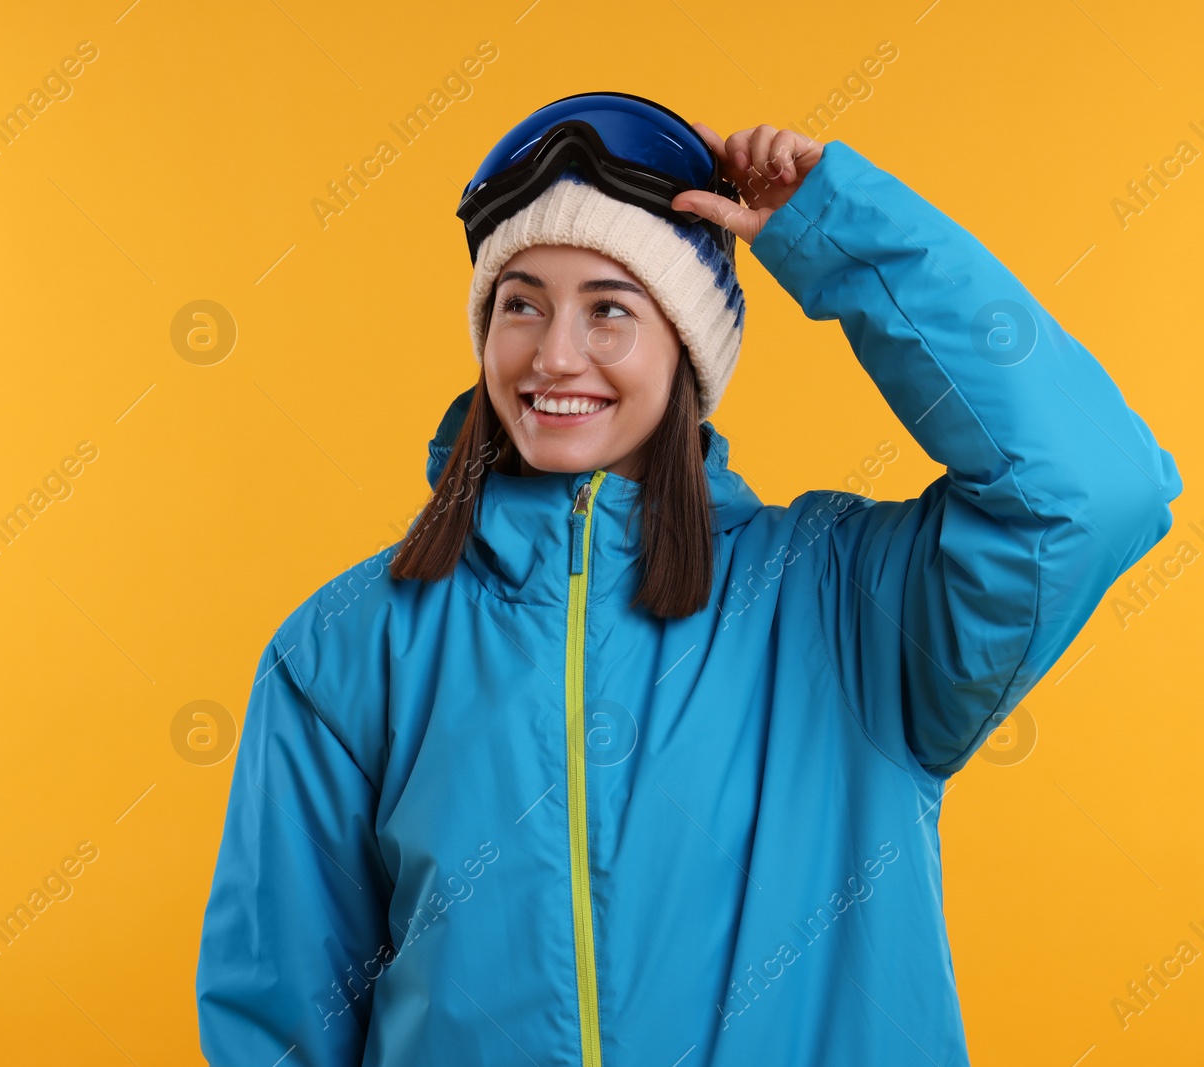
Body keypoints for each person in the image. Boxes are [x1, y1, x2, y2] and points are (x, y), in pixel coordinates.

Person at [194, 92, 1182, 1066]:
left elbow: (1091, 490)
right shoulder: (347, 645)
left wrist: (837, 233)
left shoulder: (845, 606)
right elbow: (280, 1016)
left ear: (688, 346)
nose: (554, 354)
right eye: (520, 305)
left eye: (610, 309)